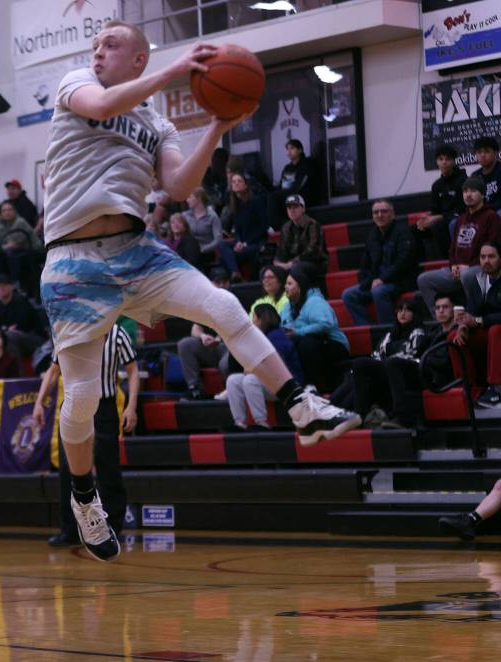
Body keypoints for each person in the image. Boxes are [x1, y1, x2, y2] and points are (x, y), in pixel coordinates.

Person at [41, 21, 357, 561]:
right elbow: (100, 106)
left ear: (138, 58)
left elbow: (180, 186)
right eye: (95, 45)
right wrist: (175, 72)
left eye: (110, 45)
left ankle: (299, 406)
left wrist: (216, 125)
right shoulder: (77, 84)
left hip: (135, 248)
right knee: (84, 397)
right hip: (73, 261)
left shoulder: (158, 124)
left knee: (223, 304)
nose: (97, 52)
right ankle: (84, 498)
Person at [33, 323, 138, 547]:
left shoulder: (118, 333)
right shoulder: (69, 331)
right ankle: (70, 531)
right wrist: (39, 402)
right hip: (74, 406)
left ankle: (113, 528)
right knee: (67, 470)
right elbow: (54, 370)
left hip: (104, 407)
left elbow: (133, 370)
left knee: (108, 468)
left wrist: (131, 406)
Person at [330, 300, 424, 427]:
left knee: (392, 363)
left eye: (407, 310)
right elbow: (377, 354)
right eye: (400, 310)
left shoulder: (419, 332)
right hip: (388, 370)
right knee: (359, 364)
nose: (403, 313)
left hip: (409, 372)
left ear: (415, 313)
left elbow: (411, 354)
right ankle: (360, 415)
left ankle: (401, 417)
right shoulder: (390, 334)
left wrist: (385, 360)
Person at [417, 176, 499, 313]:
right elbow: (452, 249)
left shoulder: (491, 217)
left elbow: (494, 248)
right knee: (424, 280)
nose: (468, 194)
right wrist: (453, 265)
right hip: (458, 270)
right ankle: (444, 323)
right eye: (465, 191)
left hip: (480, 269)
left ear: (483, 194)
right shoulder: (460, 220)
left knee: (467, 274)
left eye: (473, 191)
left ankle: (474, 315)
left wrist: (470, 266)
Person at [225, 304, 302, 430]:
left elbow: (275, 369)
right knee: (233, 380)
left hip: (286, 387)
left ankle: (261, 422)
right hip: (271, 383)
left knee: (251, 379)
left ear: (261, 320)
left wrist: (252, 370)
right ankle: (239, 423)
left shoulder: (277, 336)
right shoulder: (262, 337)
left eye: (254, 318)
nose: (252, 322)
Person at [342, 199, 418, 326]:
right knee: (348, 294)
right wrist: (364, 282)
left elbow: (403, 262)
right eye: (376, 212)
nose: (379, 215)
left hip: (399, 281)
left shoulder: (403, 232)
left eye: (384, 211)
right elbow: (364, 265)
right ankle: (367, 328)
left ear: (393, 214)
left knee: (379, 292)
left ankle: (387, 330)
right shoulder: (372, 235)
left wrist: (382, 279)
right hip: (376, 282)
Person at [282, 264, 351, 390]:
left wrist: (298, 331)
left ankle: (311, 386)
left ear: (300, 285)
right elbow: (284, 325)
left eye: (290, 284)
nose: (285, 287)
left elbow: (325, 324)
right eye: (286, 283)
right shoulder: (287, 306)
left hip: (334, 344)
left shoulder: (315, 301)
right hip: (313, 345)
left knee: (307, 343)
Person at [450, 241, 501, 408]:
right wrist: (463, 327)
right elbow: (471, 310)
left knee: (496, 330)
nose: (486, 260)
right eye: (482, 257)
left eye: (491, 256)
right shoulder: (476, 280)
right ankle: (470, 389)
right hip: (487, 334)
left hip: (497, 331)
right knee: (453, 337)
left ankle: (497, 389)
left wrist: (479, 321)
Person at [177, 267, 232, 399]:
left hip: (231, 346)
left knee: (226, 362)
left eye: (225, 282)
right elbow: (195, 329)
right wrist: (202, 336)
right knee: (185, 344)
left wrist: (219, 339)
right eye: (218, 282)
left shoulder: (235, 299)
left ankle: (231, 390)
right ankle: (195, 388)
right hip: (213, 346)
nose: (222, 286)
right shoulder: (205, 302)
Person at [417, 144, 467, 259]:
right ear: (437, 162)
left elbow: (462, 209)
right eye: (441, 159)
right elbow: (434, 210)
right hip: (441, 218)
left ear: (454, 161)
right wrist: (425, 220)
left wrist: (437, 218)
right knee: (416, 229)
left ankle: (450, 259)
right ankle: (422, 262)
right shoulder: (436, 185)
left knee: (439, 225)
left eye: (448, 159)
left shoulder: (463, 180)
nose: (444, 162)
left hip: (458, 216)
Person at [217, 173, 267, 281]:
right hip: (242, 243)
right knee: (221, 244)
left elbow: (263, 227)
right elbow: (237, 230)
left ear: (246, 185)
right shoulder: (235, 205)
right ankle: (236, 273)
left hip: (255, 243)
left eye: (239, 181)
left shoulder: (256, 201)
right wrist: (239, 242)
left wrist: (245, 243)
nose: (236, 183)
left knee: (224, 259)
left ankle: (236, 277)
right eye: (234, 182)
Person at [0, 199, 42, 297]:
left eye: (9, 209)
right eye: (4, 210)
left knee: (12, 254)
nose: (7, 212)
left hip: (34, 250)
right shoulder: (2, 224)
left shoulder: (20, 222)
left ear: (15, 211)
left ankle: (17, 285)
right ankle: (2, 283)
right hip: (17, 251)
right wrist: (4, 244)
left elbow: (14, 242)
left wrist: (5, 245)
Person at [0, 274, 46, 358]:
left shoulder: (21, 301)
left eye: (4, 286)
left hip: (33, 336)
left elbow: (23, 325)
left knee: (11, 336)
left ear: (11, 287)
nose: (1, 289)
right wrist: (6, 330)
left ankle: (15, 369)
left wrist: (5, 330)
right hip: (10, 335)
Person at [273, 195, 327, 276]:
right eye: (289, 208)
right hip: (293, 264)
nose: (292, 210)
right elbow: (281, 250)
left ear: (303, 209)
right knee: (269, 270)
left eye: (295, 207)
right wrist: (278, 262)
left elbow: (313, 251)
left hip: (315, 263)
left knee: (296, 268)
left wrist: (292, 262)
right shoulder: (286, 227)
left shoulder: (312, 225)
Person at [268, 139, 315, 226]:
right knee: (269, 197)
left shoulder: (306, 164)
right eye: (287, 149)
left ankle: (277, 226)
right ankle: (274, 226)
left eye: (292, 148)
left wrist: (283, 194)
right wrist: (278, 192)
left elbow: (301, 185)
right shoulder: (287, 168)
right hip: (285, 194)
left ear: (300, 150)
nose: (289, 152)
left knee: (275, 198)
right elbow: (281, 184)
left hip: (300, 195)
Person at [182, 187, 222, 260]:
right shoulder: (185, 215)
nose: (187, 200)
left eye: (189, 197)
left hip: (206, 251)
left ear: (199, 198)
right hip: (189, 249)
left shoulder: (212, 216)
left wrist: (204, 248)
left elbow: (218, 239)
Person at [472, 136, 501, 210]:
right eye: (479, 152)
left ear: (496, 153)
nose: (482, 155)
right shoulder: (475, 176)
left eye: (487, 151)